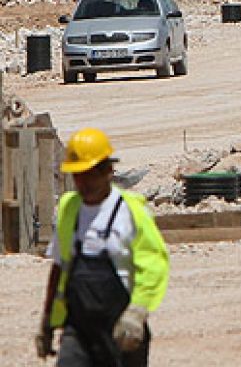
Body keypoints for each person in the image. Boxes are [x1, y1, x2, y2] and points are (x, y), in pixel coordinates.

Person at [37, 128, 169, 366]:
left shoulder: (131, 211)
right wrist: (47, 321)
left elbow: (154, 265)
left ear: (107, 170)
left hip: (122, 329)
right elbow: (59, 266)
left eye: (88, 174)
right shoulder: (70, 208)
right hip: (78, 329)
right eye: (77, 175)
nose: (82, 182)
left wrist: (137, 312)